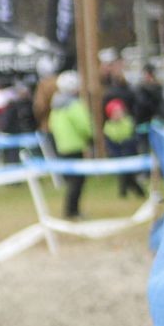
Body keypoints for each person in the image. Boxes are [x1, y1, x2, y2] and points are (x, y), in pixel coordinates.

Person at [48, 70, 93, 219]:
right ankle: (72, 211)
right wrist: (90, 136)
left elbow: (51, 125)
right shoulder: (74, 104)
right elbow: (84, 124)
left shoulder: (55, 104)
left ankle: (71, 211)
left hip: (62, 146)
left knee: (71, 182)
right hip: (75, 146)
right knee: (77, 182)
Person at [103, 98, 147, 198]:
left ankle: (134, 193)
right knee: (123, 175)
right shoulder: (108, 127)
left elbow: (136, 137)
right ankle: (125, 194)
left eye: (120, 111)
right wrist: (116, 152)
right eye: (116, 112)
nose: (119, 114)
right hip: (118, 154)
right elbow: (110, 143)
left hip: (130, 152)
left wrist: (127, 144)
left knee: (129, 176)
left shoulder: (129, 122)